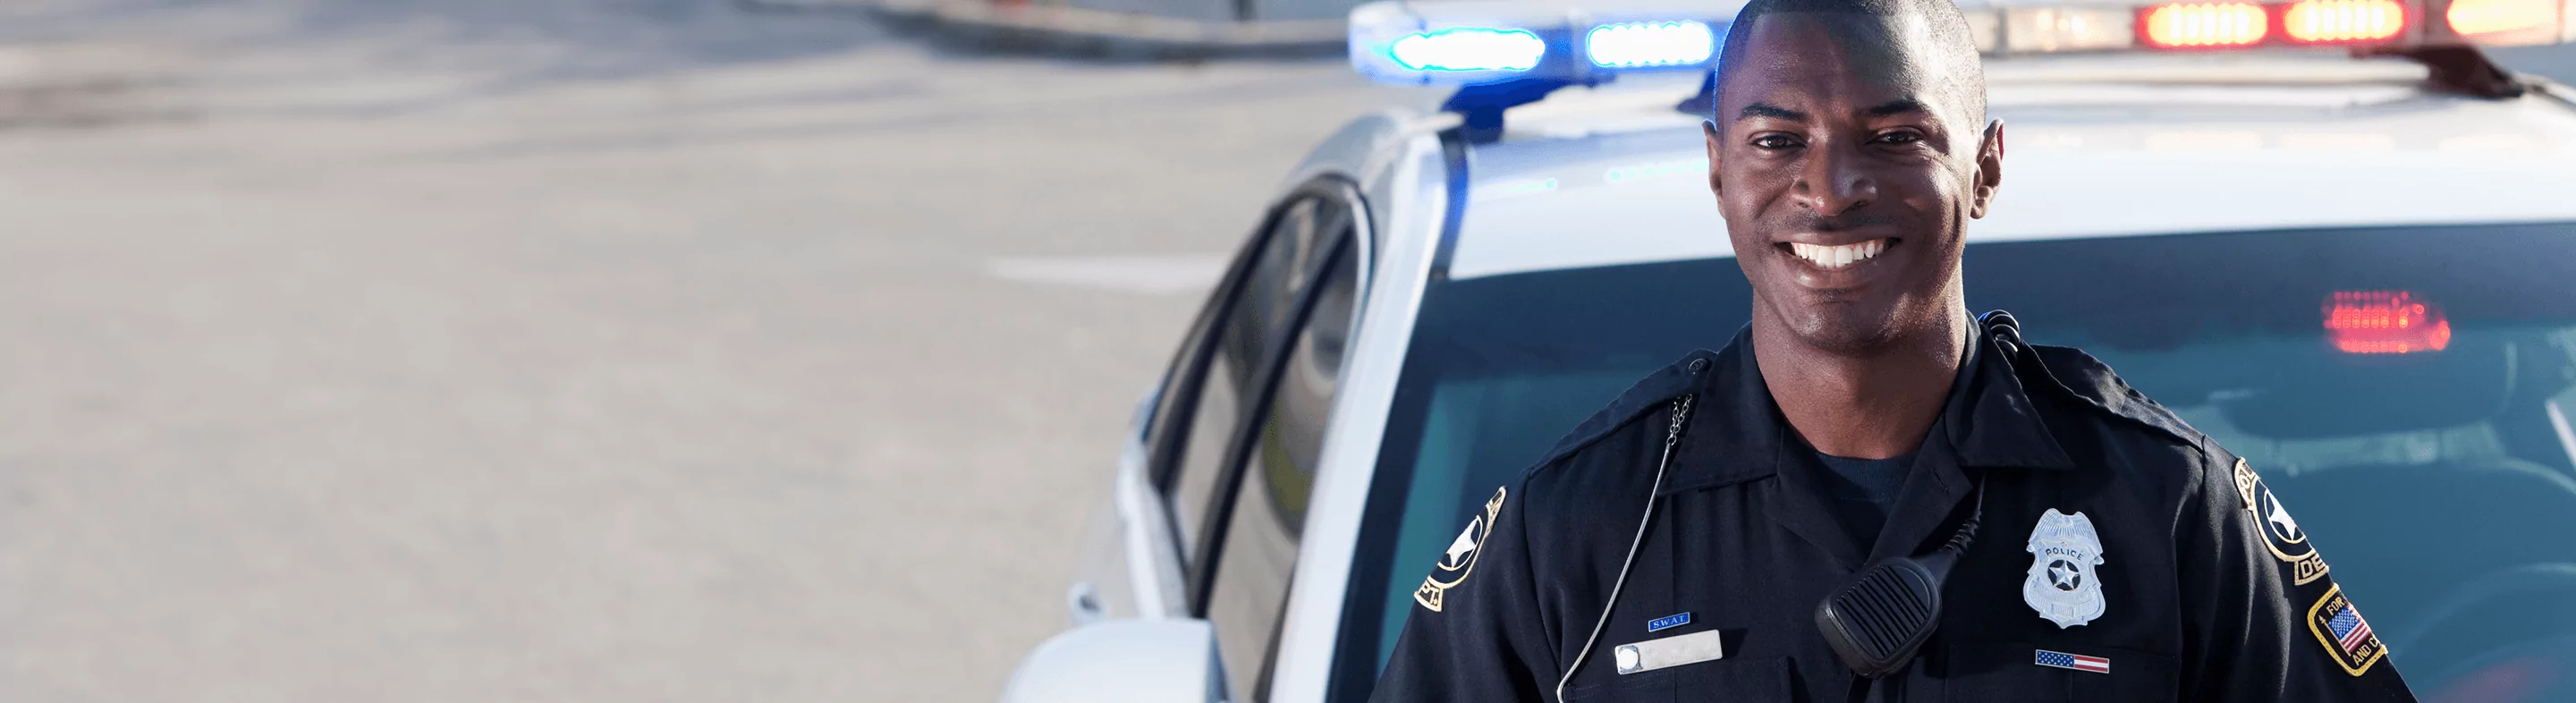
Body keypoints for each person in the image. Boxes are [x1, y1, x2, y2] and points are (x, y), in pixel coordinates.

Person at [1365, 0, 2421, 700]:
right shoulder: (1580, 532)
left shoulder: (2166, 506)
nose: (1829, 190)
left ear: (1986, 169)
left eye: (1894, 137)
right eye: (1778, 140)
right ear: (1719, 171)